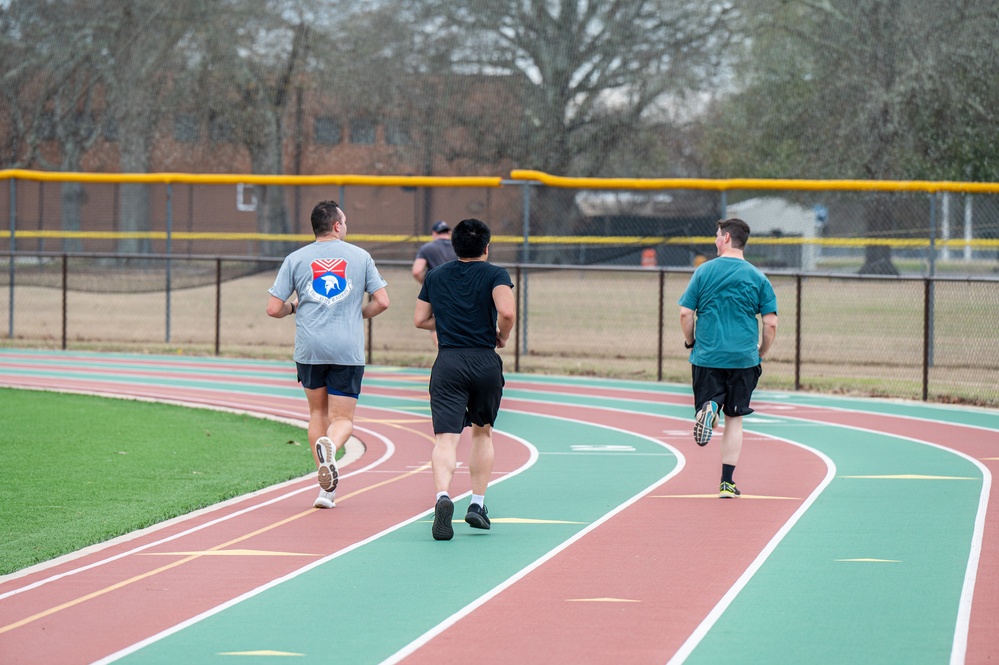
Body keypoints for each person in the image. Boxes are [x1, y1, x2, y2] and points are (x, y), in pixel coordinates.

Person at [267, 200, 389, 509]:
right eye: (344, 222)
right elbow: (383, 302)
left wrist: (294, 306)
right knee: (343, 418)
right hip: (346, 349)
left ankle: (325, 490)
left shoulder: (295, 259)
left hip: (309, 349)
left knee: (317, 415)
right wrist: (356, 313)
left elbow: (273, 308)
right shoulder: (360, 257)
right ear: (336, 226)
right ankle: (331, 449)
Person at [413, 218, 515, 540]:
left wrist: (446, 322)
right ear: (486, 247)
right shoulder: (496, 274)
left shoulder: (435, 275)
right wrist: (502, 334)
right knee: (482, 433)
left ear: (454, 246)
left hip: (449, 361)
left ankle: (443, 497)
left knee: (446, 438)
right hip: (484, 359)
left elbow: (420, 319)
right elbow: (508, 312)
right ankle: (477, 504)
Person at [678, 218, 778, 499]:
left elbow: (686, 313)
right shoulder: (758, 277)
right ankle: (726, 482)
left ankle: (708, 409)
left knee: (710, 405)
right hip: (744, 359)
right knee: (735, 419)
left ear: (726, 238)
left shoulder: (704, 272)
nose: (714, 240)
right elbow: (770, 323)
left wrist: (690, 341)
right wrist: (762, 351)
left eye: (716, 235)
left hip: (708, 355)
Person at [412, 220, 458, 284]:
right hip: (456, 289)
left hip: (436, 289)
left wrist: (426, 284)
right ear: (449, 232)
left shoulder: (426, 248)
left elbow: (416, 272)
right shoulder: (459, 247)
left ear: (434, 233)